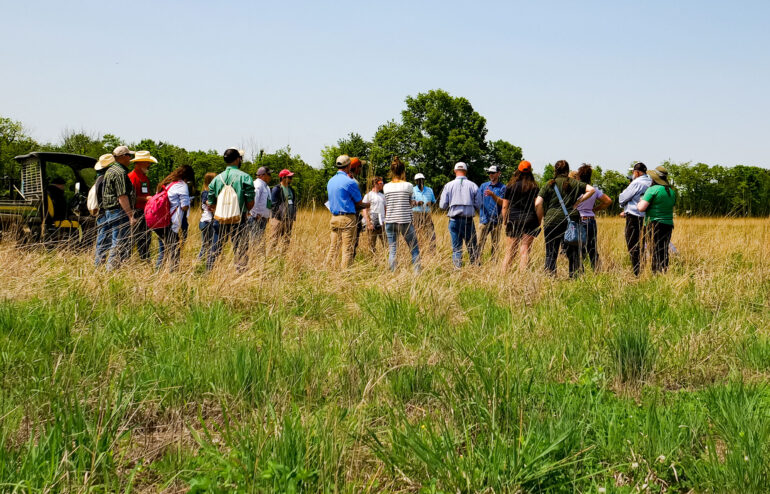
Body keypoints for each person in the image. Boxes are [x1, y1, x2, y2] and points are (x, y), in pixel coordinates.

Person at [535, 160, 595, 277]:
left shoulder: (549, 184)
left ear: (555, 170)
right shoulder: (575, 183)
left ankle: (550, 276)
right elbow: (591, 190)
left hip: (552, 221)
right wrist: (579, 201)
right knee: (573, 251)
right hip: (571, 221)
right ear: (567, 170)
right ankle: (575, 276)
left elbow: (538, 203)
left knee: (551, 252)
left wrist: (542, 217)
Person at [207, 148, 255, 272]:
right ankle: (241, 273)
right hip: (239, 219)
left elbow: (210, 203)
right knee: (241, 248)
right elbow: (250, 203)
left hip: (220, 218)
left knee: (215, 247)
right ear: (238, 159)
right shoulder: (245, 177)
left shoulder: (217, 179)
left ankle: (209, 271)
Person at [493, 161, 541, 273]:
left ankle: (504, 275)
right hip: (530, 219)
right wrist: (538, 220)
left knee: (510, 251)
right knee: (525, 250)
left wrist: (505, 221)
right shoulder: (534, 187)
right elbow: (537, 205)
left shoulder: (510, 186)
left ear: (518, 170)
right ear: (530, 171)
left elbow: (505, 207)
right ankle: (522, 276)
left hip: (513, 220)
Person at [325, 155, 369, 268]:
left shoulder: (331, 181)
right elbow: (359, 203)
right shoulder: (350, 182)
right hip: (347, 219)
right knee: (347, 249)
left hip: (334, 218)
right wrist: (369, 204)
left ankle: (327, 271)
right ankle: (345, 275)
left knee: (333, 248)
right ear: (349, 166)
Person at [439, 162, 481, 268]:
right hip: (468, 220)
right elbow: (479, 205)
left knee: (457, 249)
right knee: (472, 247)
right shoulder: (473, 185)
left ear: (454, 171)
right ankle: (475, 269)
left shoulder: (448, 185)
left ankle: (457, 271)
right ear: (466, 171)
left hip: (454, 220)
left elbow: (442, 205)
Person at [153, 165, 194, 271]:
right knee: (174, 251)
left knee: (162, 250)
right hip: (172, 222)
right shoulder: (182, 185)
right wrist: (189, 202)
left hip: (160, 221)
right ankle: (173, 274)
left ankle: (158, 272)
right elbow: (184, 206)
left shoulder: (166, 183)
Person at [102, 145, 137, 270]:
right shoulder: (120, 172)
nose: (130, 159)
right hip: (118, 211)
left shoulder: (110, 170)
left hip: (109, 211)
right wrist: (131, 215)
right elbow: (122, 196)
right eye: (129, 156)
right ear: (123, 157)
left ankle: (113, 269)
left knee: (113, 241)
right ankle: (111, 271)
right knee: (119, 242)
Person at [383, 157, 420, 272]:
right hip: (404, 221)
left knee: (393, 249)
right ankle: (417, 273)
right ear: (403, 171)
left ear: (391, 171)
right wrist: (414, 203)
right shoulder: (408, 186)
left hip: (390, 221)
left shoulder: (386, 186)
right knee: (414, 248)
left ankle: (393, 273)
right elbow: (412, 203)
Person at [638, 166, 677, 273]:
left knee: (654, 249)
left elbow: (641, 208)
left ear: (654, 179)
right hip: (668, 223)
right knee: (664, 249)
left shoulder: (652, 190)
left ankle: (655, 272)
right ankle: (664, 270)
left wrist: (640, 201)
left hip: (654, 223)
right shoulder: (671, 192)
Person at [575, 164, 612, 270]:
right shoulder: (594, 190)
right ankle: (596, 269)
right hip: (591, 220)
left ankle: (579, 270)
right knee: (592, 247)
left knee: (578, 247)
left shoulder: (576, 189)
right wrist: (595, 209)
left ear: (579, 176)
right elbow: (608, 201)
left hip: (579, 219)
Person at [619, 162, 652, 276]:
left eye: (633, 172)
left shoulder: (637, 182)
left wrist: (622, 203)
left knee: (633, 244)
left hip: (634, 216)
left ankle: (637, 272)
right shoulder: (651, 181)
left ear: (637, 172)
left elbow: (623, 197)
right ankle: (644, 268)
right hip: (647, 217)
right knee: (644, 243)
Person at [127, 150, 156, 261]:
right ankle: (128, 261)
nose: (149, 165)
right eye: (147, 162)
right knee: (134, 238)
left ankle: (145, 259)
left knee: (146, 237)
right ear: (138, 163)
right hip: (136, 211)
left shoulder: (144, 177)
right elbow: (130, 197)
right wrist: (145, 198)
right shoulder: (132, 177)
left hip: (145, 212)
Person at [477, 165, 506, 258]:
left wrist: (493, 195)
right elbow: (478, 200)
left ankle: (494, 265)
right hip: (484, 220)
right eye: (489, 173)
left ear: (498, 173)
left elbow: (502, 203)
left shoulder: (503, 187)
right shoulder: (483, 186)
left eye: (493, 173)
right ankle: (477, 263)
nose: (491, 175)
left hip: (496, 221)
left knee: (495, 245)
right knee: (479, 243)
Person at [268, 169, 298, 252]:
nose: (291, 179)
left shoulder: (291, 190)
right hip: (278, 219)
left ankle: (283, 258)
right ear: (283, 178)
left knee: (286, 240)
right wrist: (278, 216)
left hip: (289, 218)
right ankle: (271, 256)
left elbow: (293, 202)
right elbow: (273, 204)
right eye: (290, 177)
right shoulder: (276, 189)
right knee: (274, 239)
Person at [92, 154, 114, 266]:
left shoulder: (99, 179)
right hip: (105, 213)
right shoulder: (105, 179)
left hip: (101, 213)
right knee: (104, 240)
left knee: (103, 240)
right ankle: (99, 264)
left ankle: (99, 264)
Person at [248, 167, 272, 255]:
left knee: (260, 241)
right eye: (269, 174)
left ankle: (259, 261)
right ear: (262, 175)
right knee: (255, 241)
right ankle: (254, 260)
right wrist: (254, 215)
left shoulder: (266, 186)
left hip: (262, 218)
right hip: (256, 218)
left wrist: (267, 215)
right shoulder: (258, 185)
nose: (270, 176)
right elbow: (254, 201)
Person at [412, 173, 437, 251]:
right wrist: (417, 203)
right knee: (416, 233)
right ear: (416, 181)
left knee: (431, 233)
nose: (420, 181)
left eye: (422, 180)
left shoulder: (429, 190)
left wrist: (431, 203)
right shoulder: (412, 190)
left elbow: (434, 201)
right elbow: (409, 203)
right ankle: (417, 250)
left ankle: (432, 251)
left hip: (427, 214)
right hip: (416, 214)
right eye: (418, 180)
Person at [361, 176, 386, 254]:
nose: (382, 184)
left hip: (382, 223)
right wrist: (368, 223)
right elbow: (364, 210)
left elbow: (386, 209)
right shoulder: (368, 196)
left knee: (386, 243)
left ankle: (386, 260)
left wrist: (386, 220)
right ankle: (373, 262)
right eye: (380, 183)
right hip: (372, 223)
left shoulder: (383, 196)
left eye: (383, 183)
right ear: (375, 184)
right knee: (371, 245)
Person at [198, 172, 218, 261]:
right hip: (208, 221)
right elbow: (209, 205)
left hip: (205, 221)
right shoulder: (206, 193)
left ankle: (200, 261)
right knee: (209, 245)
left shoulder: (205, 192)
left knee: (206, 245)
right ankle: (201, 261)